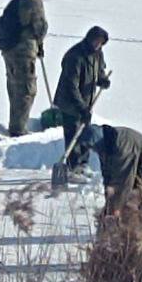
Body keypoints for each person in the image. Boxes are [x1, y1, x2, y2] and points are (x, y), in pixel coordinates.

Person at [81, 124, 142, 221]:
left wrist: (115, 209)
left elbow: (125, 181)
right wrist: (109, 204)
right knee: (121, 207)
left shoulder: (122, 146)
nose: (93, 150)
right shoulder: (106, 144)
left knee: (137, 204)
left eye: (92, 147)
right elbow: (108, 176)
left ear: (97, 142)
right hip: (138, 168)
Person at [55, 26, 111, 176]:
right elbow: (71, 85)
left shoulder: (97, 54)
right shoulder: (75, 56)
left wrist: (102, 80)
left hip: (86, 102)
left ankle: (83, 164)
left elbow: (99, 71)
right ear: (89, 38)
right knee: (73, 134)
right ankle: (73, 167)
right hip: (70, 102)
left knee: (84, 133)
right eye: (96, 41)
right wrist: (81, 107)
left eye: (101, 43)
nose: (98, 45)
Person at [0, 0, 47, 137]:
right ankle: (18, 128)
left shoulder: (13, 3)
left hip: (8, 50)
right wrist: (40, 45)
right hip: (24, 51)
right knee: (27, 89)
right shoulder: (33, 3)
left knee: (13, 86)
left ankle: (15, 124)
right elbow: (39, 27)